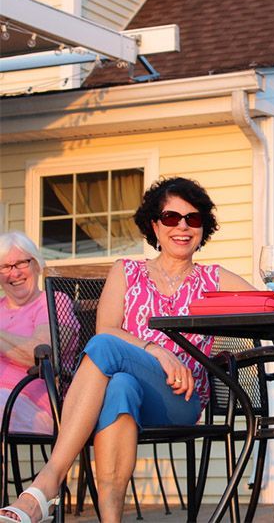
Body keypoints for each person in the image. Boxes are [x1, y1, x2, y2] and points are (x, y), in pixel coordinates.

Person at [0, 177, 255, 523]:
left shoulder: (213, 278)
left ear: (202, 228)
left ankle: (48, 482)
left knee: (105, 347)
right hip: (129, 392)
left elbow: (268, 306)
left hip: (180, 397)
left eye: (192, 219)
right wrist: (157, 350)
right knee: (119, 385)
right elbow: (106, 326)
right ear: (154, 223)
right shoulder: (127, 271)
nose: (182, 226)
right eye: (170, 218)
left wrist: (272, 287)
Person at [0, 232, 69, 435]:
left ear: (37, 265)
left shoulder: (54, 302)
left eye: (21, 263)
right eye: (5, 267)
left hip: (35, 404)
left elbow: (42, 354)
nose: (14, 273)